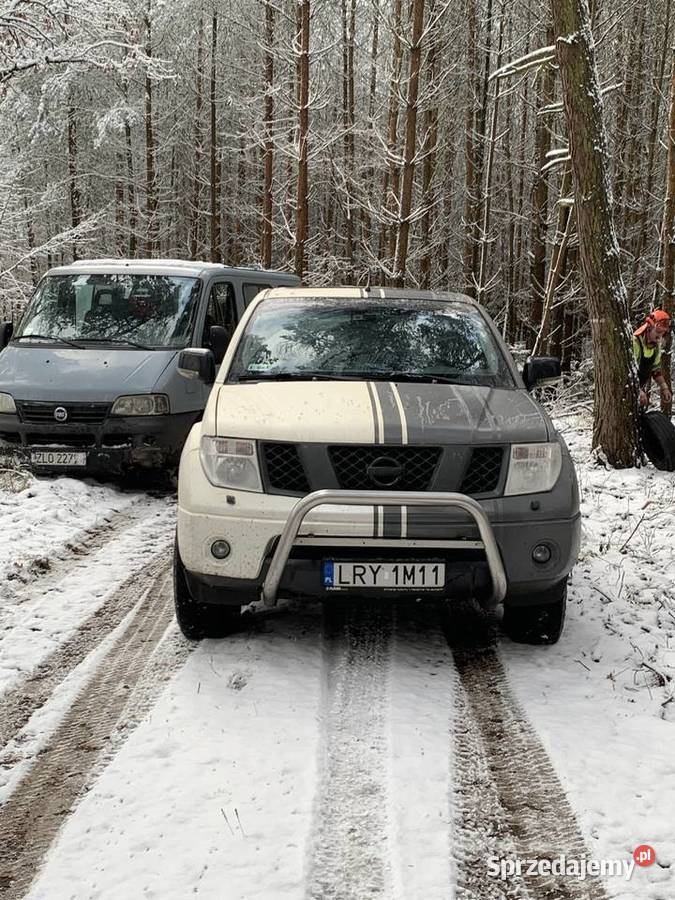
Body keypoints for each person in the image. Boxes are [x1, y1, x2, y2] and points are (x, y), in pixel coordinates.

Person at [633, 308, 672, 407]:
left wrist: (664, 388)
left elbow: (655, 370)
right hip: (625, 390)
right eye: (658, 331)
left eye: (663, 333)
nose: (660, 337)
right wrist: (638, 391)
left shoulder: (656, 348)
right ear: (649, 327)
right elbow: (626, 373)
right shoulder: (635, 343)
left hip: (638, 390)